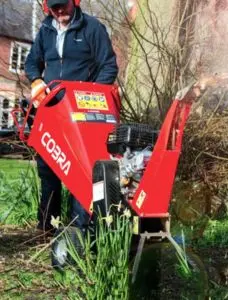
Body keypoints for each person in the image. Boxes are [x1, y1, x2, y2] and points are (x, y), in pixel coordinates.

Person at [25, 0, 118, 233]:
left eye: (63, 5)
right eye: (54, 7)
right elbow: (31, 61)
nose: (59, 11)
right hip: (52, 109)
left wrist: (91, 93)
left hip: (81, 113)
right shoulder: (45, 30)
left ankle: (81, 230)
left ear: (74, 2)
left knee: (81, 171)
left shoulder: (92, 28)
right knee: (48, 169)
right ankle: (47, 226)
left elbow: (109, 66)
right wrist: (36, 81)